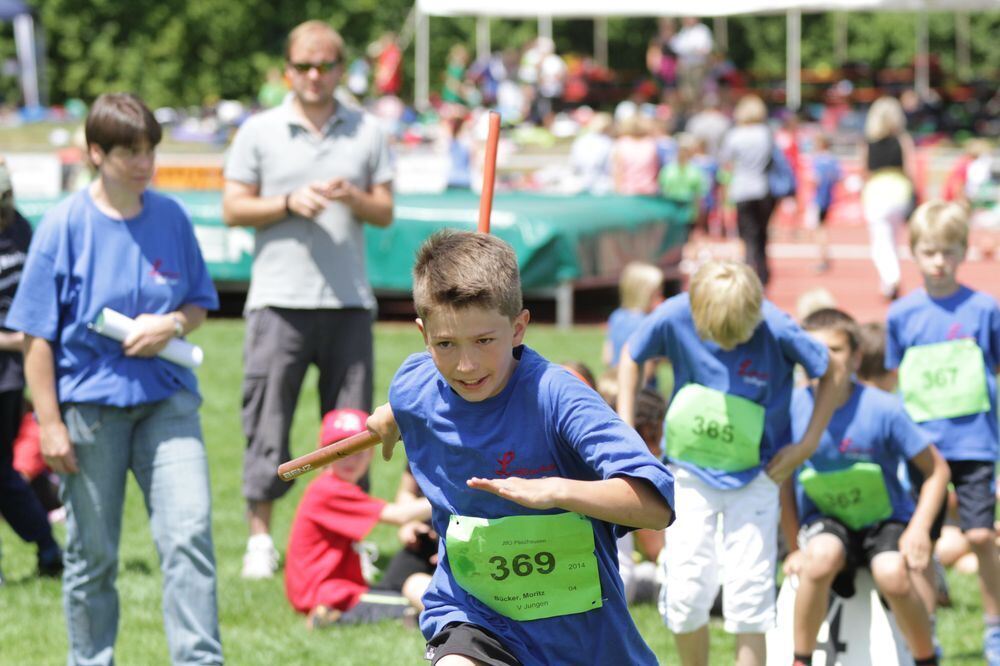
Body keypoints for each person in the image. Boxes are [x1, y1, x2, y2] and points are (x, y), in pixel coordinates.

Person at [364, 230, 675, 664]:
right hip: (475, 616)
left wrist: (556, 490)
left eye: (484, 341)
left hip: (581, 636)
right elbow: (415, 391)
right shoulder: (413, 387)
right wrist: (393, 414)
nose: (466, 365)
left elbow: (655, 505)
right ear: (423, 334)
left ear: (518, 327)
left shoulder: (558, 397)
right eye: (446, 344)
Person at [7, 93, 222, 665]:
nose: (144, 163)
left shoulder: (171, 217)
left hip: (167, 402)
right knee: (93, 556)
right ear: (95, 153)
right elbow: (35, 338)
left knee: (189, 538)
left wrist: (171, 323)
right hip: (89, 411)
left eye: (150, 149)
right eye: (130, 152)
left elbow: (198, 303)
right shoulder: (62, 226)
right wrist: (49, 425)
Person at [222, 20, 394, 579]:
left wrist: (353, 196)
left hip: (348, 301)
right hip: (278, 300)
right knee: (266, 422)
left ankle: (349, 543)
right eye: (304, 66)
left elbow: (385, 211)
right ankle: (260, 539)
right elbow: (233, 208)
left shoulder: (368, 129)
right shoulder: (259, 130)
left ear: (341, 69)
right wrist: (288, 202)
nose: (314, 75)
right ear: (287, 71)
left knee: (354, 432)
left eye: (325, 65)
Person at [617, 259, 845, 666]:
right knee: (685, 592)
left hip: (758, 473)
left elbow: (833, 370)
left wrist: (807, 443)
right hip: (689, 470)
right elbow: (631, 354)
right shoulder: (675, 313)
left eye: (736, 338)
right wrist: (625, 428)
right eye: (716, 337)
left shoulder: (777, 326)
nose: (726, 348)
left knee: (750, 596)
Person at [781, 308, 948, 666]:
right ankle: (800, 659)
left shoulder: (884, 409)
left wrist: (919, 529)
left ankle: (925, 657)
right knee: (820, 557)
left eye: (835, 349)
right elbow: (783, 482)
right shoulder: (790, 408)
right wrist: (793, 546)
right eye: (814, 350)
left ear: (856, 357)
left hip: (884, 521)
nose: (825, 359)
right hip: (825, 521)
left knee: (891, 572)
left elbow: (937, 471)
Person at [886, 200, 1000, 665]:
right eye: (929, 252)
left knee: (981, 536)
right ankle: (925, 633)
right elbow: (893, 377)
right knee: (921, 543)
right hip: (923, 448)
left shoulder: (984, 309)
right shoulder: (901, 315)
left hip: (975, 441)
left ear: (963, 252)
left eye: (948, 252)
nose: (939, 262)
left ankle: (994, 629)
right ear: (914, 252)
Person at [285, 408, 432, 629]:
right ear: (323, 453)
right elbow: (399, 515)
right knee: (409, 603)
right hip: (328, 592)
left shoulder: (330, 486)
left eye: (358, 452)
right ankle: (329, 617)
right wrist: (447, 497)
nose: (350, 460)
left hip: (333, 589)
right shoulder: (329, 490)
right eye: (340, 452)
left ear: (370, 455)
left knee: (396, 596)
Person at [0, 158, 63, 586]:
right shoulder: (22, 227)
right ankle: (47, 546)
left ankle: (47, 545)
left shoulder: (22, 230)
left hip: (9, 372)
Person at [860, 96, 917, 300]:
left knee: (880, 243)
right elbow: (911, 170)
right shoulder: (903, 140)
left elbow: (865, 171)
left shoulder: (868, 143)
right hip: (899, 192)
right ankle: (887, 283)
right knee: (892, 240)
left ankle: (891, 278)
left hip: (876, 194)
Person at [720, 94, 776, 287]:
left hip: (742, 189)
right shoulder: (765, 133)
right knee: (762, 234)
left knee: (747, 235)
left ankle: (749, 271)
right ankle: (763, 272)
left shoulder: (735, 135)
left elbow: (726, 161)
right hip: (763, 188)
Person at [603, 261, 664, 369]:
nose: (661, 295)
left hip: (617, 376)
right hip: (642, 379)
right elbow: (648, 368)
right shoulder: (648, 322)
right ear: (646, 294)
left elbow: (607, 357)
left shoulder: (617, 316)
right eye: (658, 292)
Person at [807, 133, 842, 273]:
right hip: (828, 198)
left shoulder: (818, 161)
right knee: (822, 228)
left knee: (818, 230)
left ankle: (823, 258)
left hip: (819, 199)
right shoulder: (833, 160)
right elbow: (839, 178)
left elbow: (815, 180)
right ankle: (824, 257)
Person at [659, 132, 706, 226]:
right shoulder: (668, 169)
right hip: (671, 209)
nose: (682, 153)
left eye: (685, 151)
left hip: (688, 210)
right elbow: (661, 190)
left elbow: (699, 194)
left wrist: (698, 213)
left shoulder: (695, 171)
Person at [612, 115, 660, 196]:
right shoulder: (652, 144)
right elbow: (657, 169)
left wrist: (617, 191)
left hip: (627, 191)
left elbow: (618, 171)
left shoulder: (621, 144)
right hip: (649, 191)